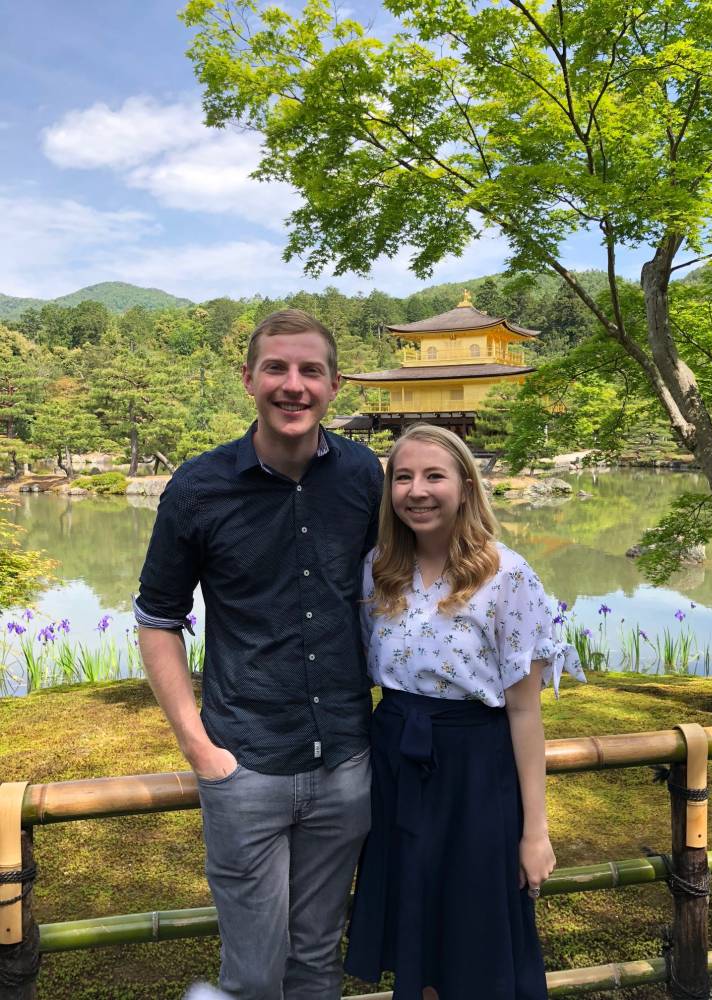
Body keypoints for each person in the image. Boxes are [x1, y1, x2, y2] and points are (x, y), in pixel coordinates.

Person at [134, 309, 384, 1000]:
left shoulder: (365, 475)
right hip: (243, 763)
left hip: (344, 760)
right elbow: (158, 618)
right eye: (276, 368)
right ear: (248, 378)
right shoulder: (199, 486)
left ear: (335, 384)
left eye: (310, 371)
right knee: (251, 975)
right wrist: (198, 747)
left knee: (315, 966)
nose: (293, 385)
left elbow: (406, 585)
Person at [344, 424, 585, 1000]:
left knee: (474, 928)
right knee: (414, 925)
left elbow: (525, 714)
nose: (417, 491)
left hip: (476, 770)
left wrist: (536, 832)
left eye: (434, 476)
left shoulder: (506, 574)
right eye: (403, 477)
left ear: (465, 485)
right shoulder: (379, 568)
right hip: (396, 761)